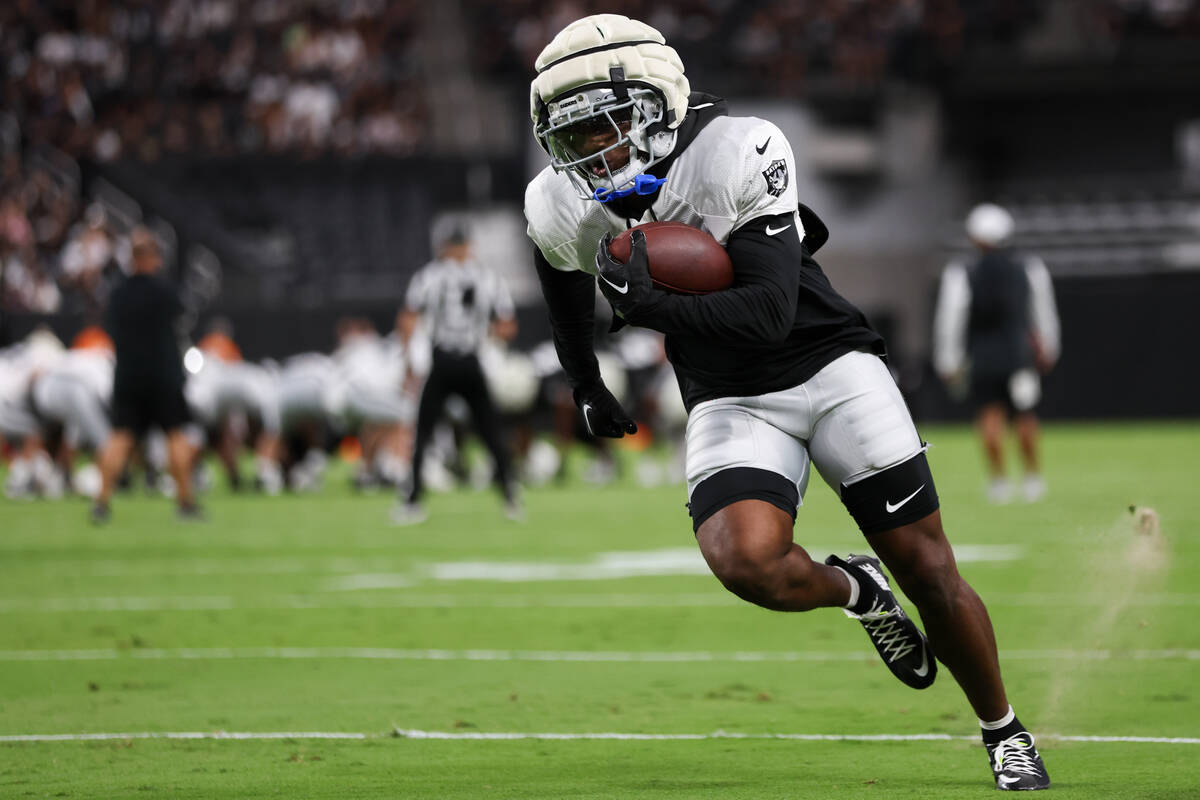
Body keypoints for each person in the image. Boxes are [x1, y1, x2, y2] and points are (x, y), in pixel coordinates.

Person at [523, 15, 1049, 791]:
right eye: (574, 139)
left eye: (605, 124)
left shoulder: (738, 148)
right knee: (745, 563)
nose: (593, 151)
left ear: (654, 103)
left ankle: (1003, 731)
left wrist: (649, 306)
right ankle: (856, 590)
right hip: (728, 393)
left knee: (928, 568)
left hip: (828, 366)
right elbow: (563, 288)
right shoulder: (558, 202)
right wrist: (585, 382)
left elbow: (767, 311)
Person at [391, 228, 521, 524]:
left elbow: (407, 320)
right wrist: (484, 336)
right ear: (469, 247)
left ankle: (412, 501)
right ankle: (511, 496)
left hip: (442, 360)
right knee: (490, 430)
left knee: (422, 432)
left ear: (445, 248)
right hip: (470, 360)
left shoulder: (428, 276)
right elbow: (507, 326)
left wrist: (409, 364)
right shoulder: (488, 278)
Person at [933, 203, 1061, 504]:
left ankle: (999, 481)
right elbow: (1043, 312)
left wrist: (948, 360)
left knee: (989, 417)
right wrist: (1049, 347)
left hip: (982, 358)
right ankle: (1032, 478)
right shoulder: (1029, 267)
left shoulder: (961, 271)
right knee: (1025, 416)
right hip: (1019, 356)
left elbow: (951, 320)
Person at [91, 227, 200, 523]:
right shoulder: (166, 291)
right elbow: (182, 322)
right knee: (175, 435)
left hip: (128, 375)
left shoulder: (117, 293)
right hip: (163, 375)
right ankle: (186, 502)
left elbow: (110, 330)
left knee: (119, 437)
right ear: (153, 257)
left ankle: (100, 503)